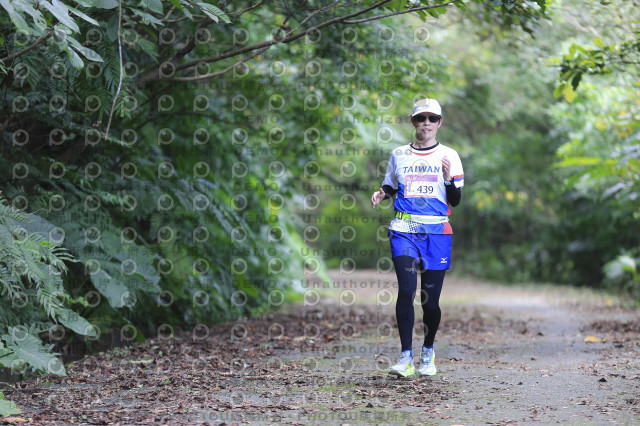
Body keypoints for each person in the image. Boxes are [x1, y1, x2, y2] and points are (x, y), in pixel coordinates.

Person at [371, 98, 464, 377]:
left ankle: (428, 350)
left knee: (430, 302)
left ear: (439, 123)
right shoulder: (399, 154)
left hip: (437, 233)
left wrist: (447, 179)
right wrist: (382, 194)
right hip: (404, 230)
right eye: (421, 118)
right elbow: (390, 185)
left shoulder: (449, 156)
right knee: (407, 290)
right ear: (413, 121)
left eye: (432, 118)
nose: (426, 123)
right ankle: (405, 357)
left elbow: (455, 200)